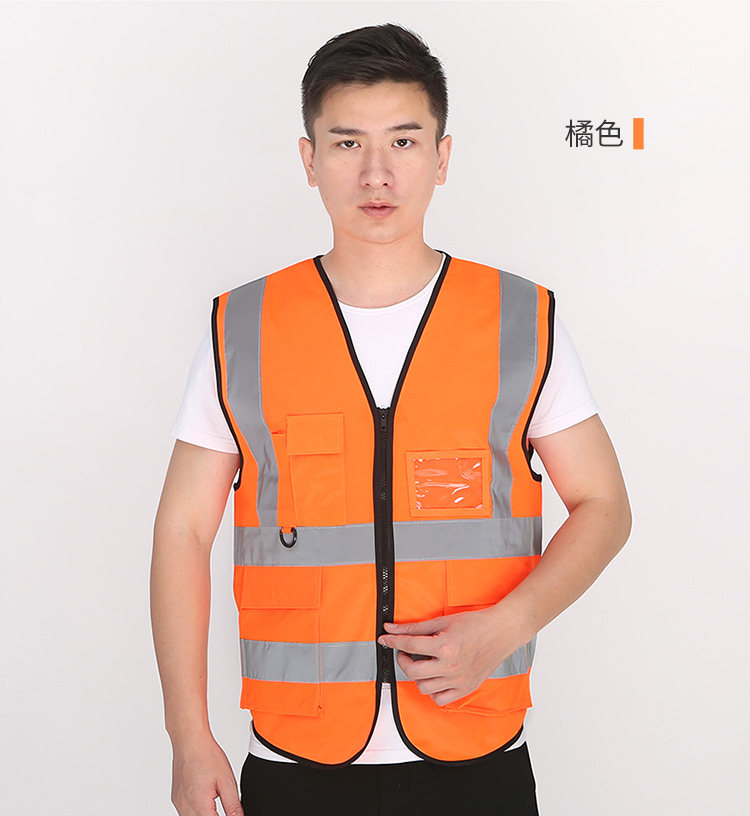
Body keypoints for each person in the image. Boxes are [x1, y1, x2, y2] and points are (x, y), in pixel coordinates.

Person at [151, 23, 632, 816]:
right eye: (347, 143)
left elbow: (605, 504)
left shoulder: (520, 321)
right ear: (309, 159)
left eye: (404, 142)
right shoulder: (245, 328)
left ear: (442, 157)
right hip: (296, 761)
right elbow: (181, 531)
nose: (376, 172)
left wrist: (506, 625)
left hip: (477, 755)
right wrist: (188, 736)